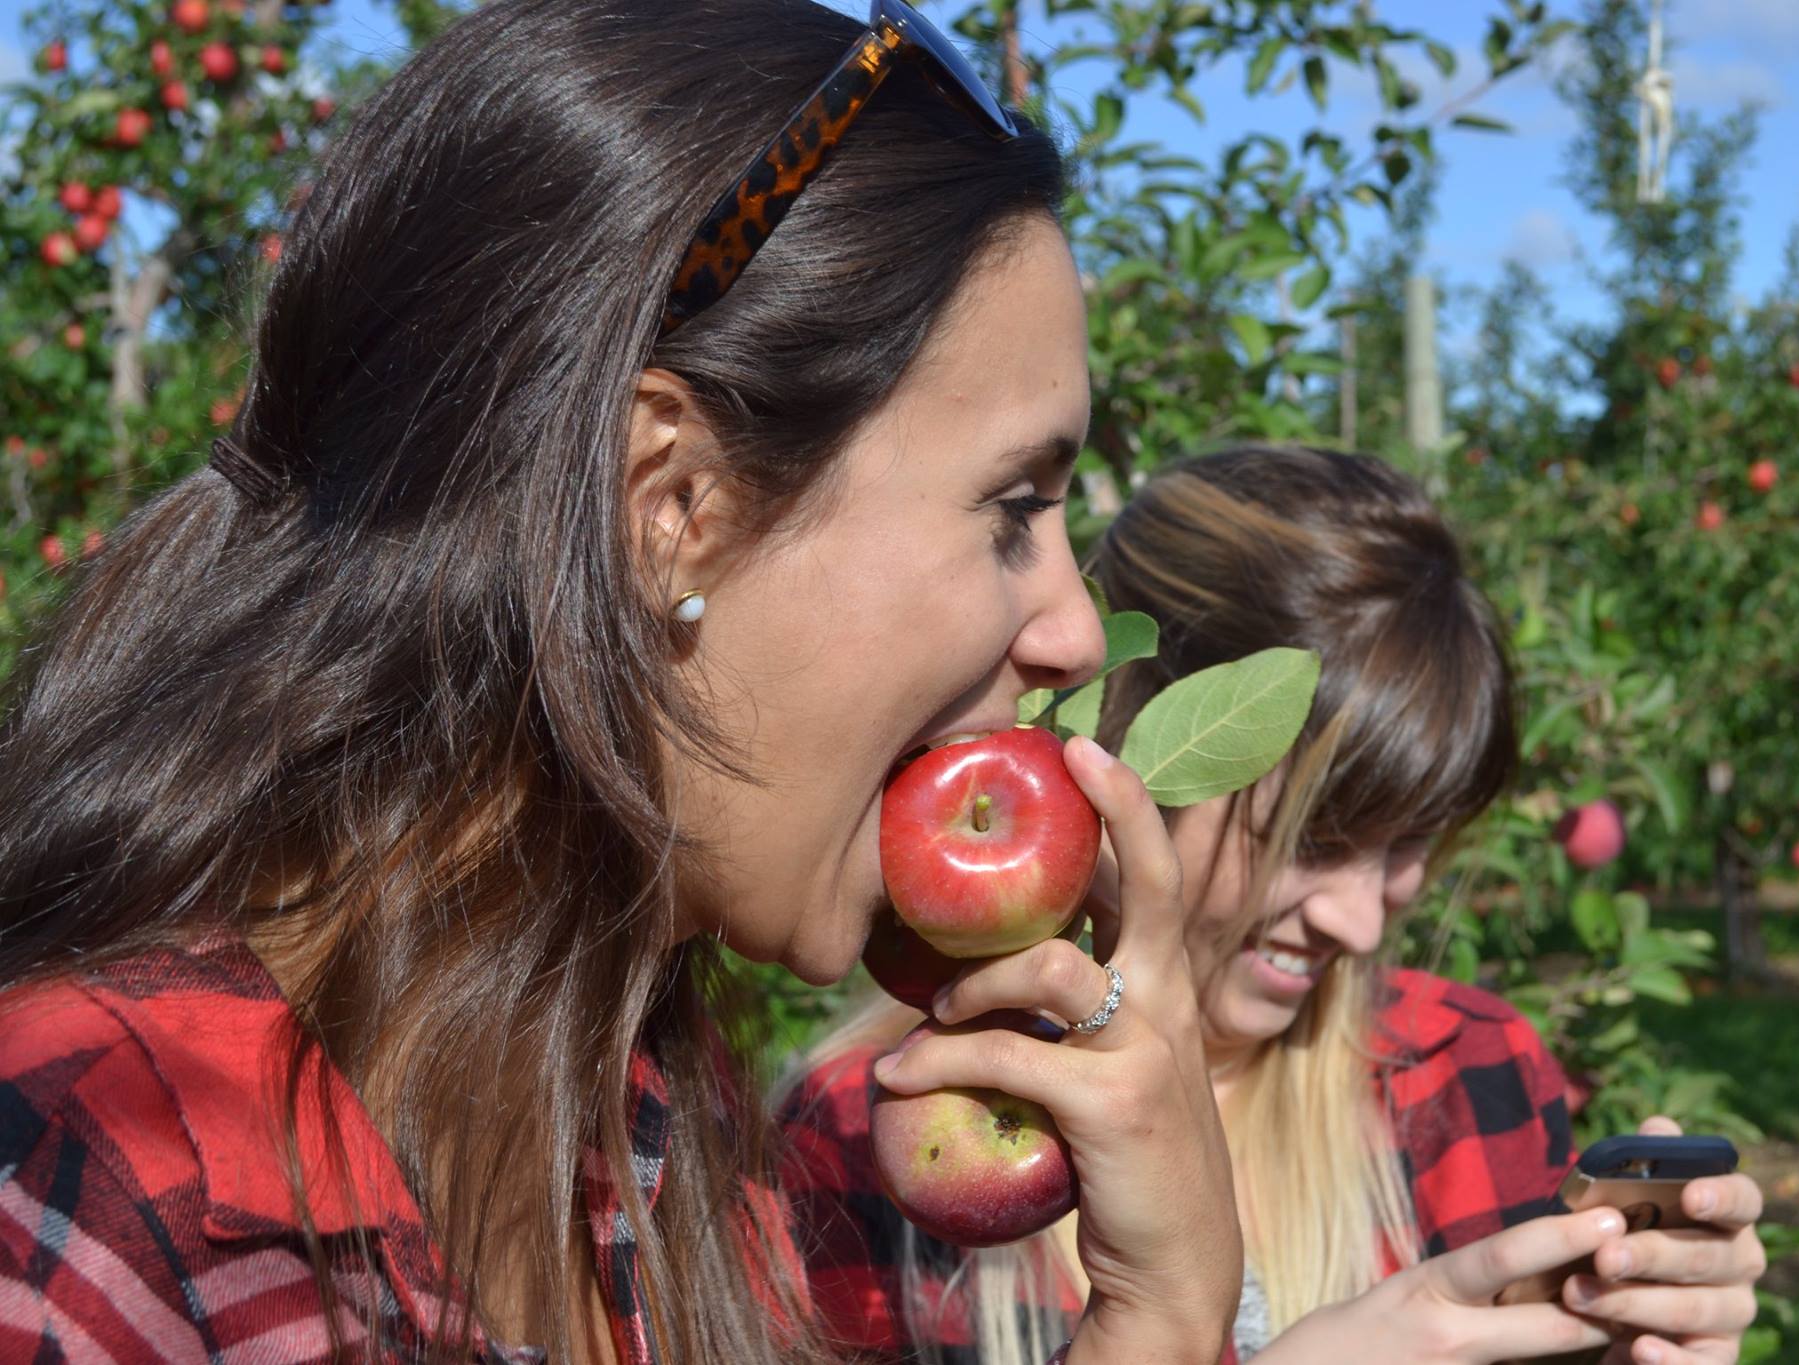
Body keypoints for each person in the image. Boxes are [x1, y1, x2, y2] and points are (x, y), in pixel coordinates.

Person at [0, 2, 1244, 1362]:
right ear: (670, 503)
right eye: (1012, 506)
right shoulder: (95, 1195)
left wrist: (1159, 1311)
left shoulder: (653, 1128)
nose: (1074, 628)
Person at [781, 444, 1768, 1365]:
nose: (1361, 923)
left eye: (1408, 846)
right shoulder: (873, 1130)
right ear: (1135, 753)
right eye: (1309, 841)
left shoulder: (1463, 1072)